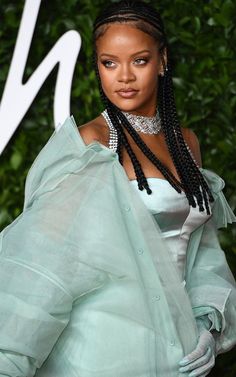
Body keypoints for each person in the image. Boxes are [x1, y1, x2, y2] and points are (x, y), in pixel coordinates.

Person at [0, 1, 235, 376]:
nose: (123, 76)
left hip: (180, 349)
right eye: (109, 63)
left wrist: (206, 324)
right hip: (104, 348)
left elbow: (200, 249)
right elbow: (44, 260)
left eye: (139, 60)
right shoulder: (94, 142)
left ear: (162, 61)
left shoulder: (185, 142)